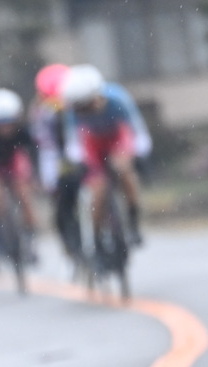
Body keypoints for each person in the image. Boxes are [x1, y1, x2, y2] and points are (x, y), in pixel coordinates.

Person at [61, 64, 152, 245]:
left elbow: (137, 131)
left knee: (124, 170)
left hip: (117, 137)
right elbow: (73, 141)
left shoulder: (118, 99)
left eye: (88, 105)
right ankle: (96, 239)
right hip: (92, 141)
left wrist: (139, 153)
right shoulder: (71, 108)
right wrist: (79, 161)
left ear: (98, 95)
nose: (85, 112)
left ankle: (133, 221)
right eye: (80, 108)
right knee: (97, 187)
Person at [0, 88, 39, 263]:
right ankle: (0, 233)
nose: (5, 129)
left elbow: (32, 154)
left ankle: (30, 238)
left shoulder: (23, 133)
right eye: (0, 124)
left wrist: (34, 178)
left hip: (13, 163)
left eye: (9, 123)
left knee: (24, 195)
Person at [29, 64, 84, 264]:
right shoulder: (40, 111)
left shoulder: (77, 103)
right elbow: (42, 143)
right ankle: (69, 244)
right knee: (60, 203)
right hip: (54, 157)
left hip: (79, 151)